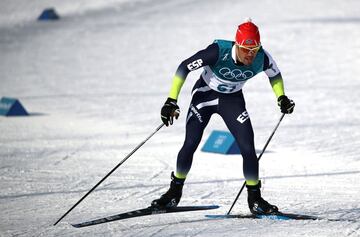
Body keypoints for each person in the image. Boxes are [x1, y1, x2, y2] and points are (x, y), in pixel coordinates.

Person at [151, 18, 295, 214]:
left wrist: (282, 98)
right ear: (237, 45)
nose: (250, 56)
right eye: (246, 50)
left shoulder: (263, 58)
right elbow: (183, 67)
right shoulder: (217, 52)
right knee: (191, 142)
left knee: (247, 146)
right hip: (204, 97)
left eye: (254, 50)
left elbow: (275, 75)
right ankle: (174, 192)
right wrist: (171, 100)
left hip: (232, 102)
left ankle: (255, 199)